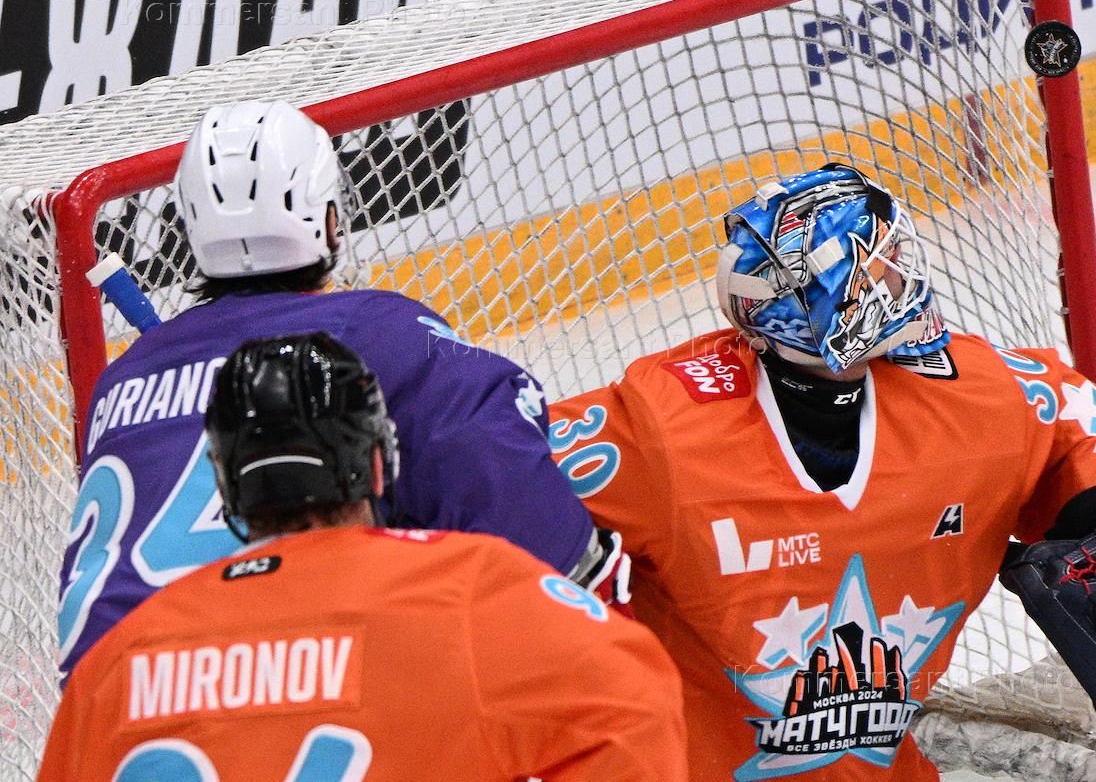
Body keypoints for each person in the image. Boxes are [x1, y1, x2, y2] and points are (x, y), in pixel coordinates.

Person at [548, 164, 1096, 780]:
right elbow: (507, 474)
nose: (899, 278)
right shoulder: (665, 430)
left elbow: (1077, 417)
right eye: (879, 267)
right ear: (830, 299)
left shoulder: (970, 398)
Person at [58, 100, 623, 681]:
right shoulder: (379, 335)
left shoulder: (123, 375)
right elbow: (542, 543)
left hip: (103, 706)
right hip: (294, 693)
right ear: (329, 219)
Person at [39, 332, 686, 781]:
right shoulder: (471, 587)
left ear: (227, 485)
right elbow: (638, 703)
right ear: (378, 464)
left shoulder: (122, 658)